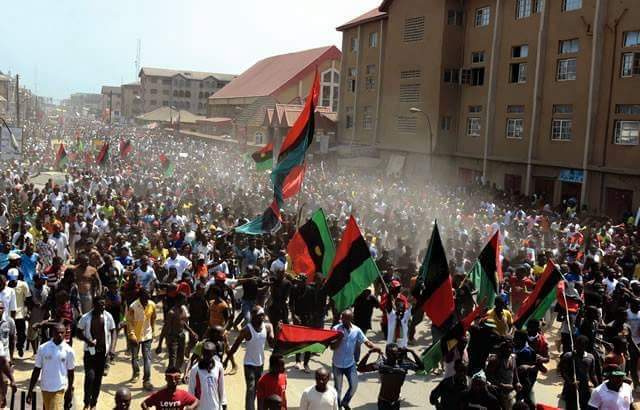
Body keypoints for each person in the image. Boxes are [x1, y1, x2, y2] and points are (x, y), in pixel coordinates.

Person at [226, 305, 275, 410]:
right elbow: (235, 346)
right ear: (253, 316)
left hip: (260, 364)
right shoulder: (246, 330)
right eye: (259, 316)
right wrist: (227, 360)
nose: (261, 318)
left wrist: (278, 331)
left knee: (258, 390)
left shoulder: (267, 327)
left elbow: (272, 344)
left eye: (263, 315)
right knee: (251, 389)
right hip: (249, 364)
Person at [330, 309, 381, 410]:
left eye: (345, 319)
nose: (342, 321)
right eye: (342, 318)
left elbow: (366, 341)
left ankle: (345, 402)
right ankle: (338, 407)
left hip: (350, 364)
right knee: (338, 389)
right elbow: (332, 347)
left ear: (350, 319)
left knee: (354, 386)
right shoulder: (335, 329)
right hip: (337, 364)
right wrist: (339, 339)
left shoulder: (356, 330)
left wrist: (375, 348)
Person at [76, 294, 117, 410]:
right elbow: (78, 332)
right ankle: (86, 402)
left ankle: (94, 403)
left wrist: (112, 348)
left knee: (98, 379)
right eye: (100, 304)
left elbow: (114, 331)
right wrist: (88, 341)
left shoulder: (108, 317)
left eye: (104, 304)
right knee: (90, 378)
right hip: (90, 353)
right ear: (94, 305)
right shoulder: (86, 317)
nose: (103, 307)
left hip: (102, 354)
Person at [357, 342, 423, 409]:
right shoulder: (381, 364)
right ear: (387, 354)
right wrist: (369, 352)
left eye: (395, 353)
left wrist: (412, 351)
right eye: (391, 354)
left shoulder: (403, 364)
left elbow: (421, 368)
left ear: (398, 353)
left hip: (396, 401)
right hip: (383, 401)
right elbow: (360, 368)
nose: (393, 356)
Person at [26, 323, 75, 410]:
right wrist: (30, 390)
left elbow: (71, 372)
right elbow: (37, 370)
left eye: (62, 332)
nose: (59, 335)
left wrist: (69, 390)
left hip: (59, 388)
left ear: (65, 333)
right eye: (57, 332)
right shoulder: (43, 348)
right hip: (45, 387)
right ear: (52, 333)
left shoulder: (69, 351)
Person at [126, 289, 156, 391]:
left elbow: (153, 318)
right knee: (135, 357)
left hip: (147, 335)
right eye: (145, 298)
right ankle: (136, 373)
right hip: (135, 336)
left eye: (148, 298)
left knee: (147, 358)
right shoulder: (133, 306)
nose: (147, 300)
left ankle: (146, 380)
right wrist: (131, 334)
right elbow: (129, 322)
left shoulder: (152, 305)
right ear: (140, 297)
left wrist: (153, 331)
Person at [187, 341, 226, 410]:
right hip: (200, 408)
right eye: (205, 354)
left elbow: (221, 387)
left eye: (209, 355)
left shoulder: (219, 367)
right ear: (202, 352)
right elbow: (191, 390)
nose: (207, 357)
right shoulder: (195, 370)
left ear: (214, 353)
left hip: (215, 407)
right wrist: (191, 406)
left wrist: (223, 404)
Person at [0, 301, 16, 408]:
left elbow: (12, 339)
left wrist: (11, 356)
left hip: (4, 356)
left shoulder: (9, 322)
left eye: (1, 308)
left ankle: (3, 400)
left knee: (4, 381)